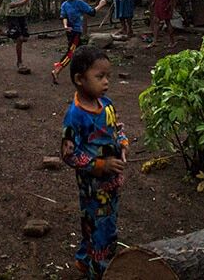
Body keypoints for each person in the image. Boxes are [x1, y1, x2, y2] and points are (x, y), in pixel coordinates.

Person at [61, 46, 128, 278]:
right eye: (99, 77)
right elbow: (69, 154)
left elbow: (117, 129)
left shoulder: (106, 104)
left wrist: (123, 145)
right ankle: (98, 271)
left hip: (112, 182)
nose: (106, 82)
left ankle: (83, 258)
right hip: (92, 186)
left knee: (107, 221)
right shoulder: (75, 115)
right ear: (80, 79)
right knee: (99, 228)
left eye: (107, 76)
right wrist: (100, 165)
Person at [52, 0, 106, 84]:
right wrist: (101, 4)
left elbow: (64, 17)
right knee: (71, 53)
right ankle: (57, 69)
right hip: (76, 32)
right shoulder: (79, 3)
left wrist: (65, 26)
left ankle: (84, 73)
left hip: (70, 32)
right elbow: (92, 12)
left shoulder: (64, 4)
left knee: (81, 53)